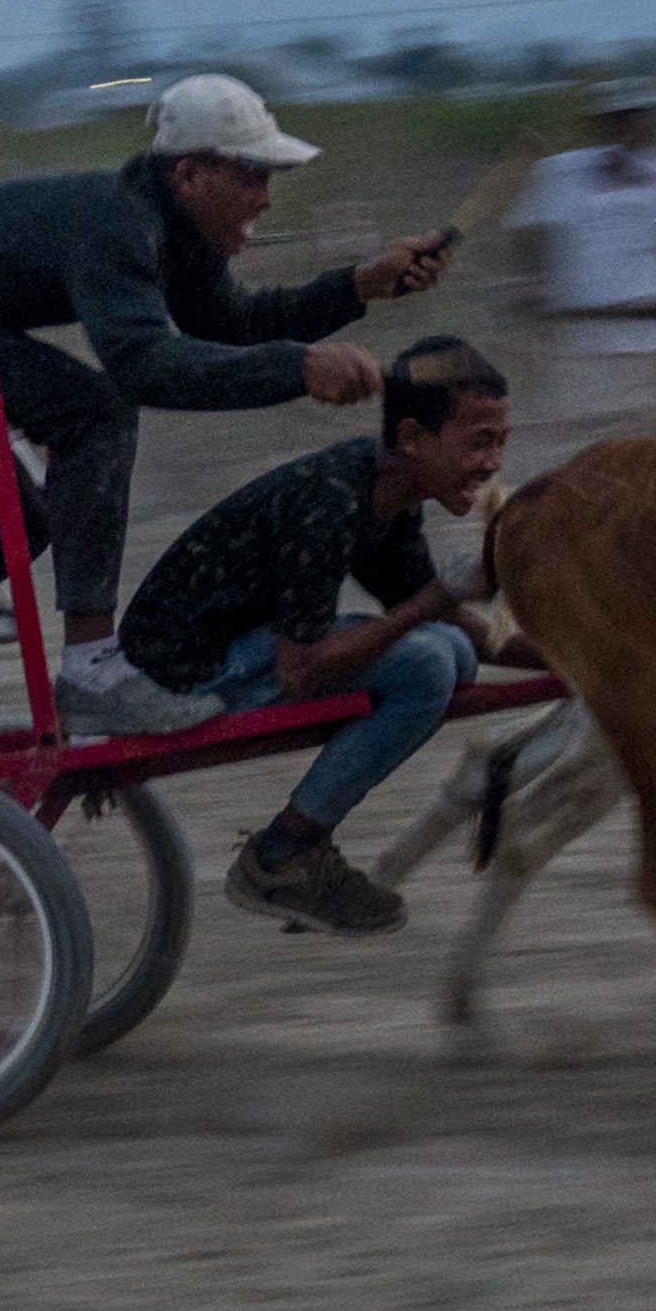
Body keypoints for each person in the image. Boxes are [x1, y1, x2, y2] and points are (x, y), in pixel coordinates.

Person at [0, 73, 453, 741]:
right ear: (189, 173)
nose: (266, 198)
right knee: (96, 409)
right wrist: (299, 368)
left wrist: (362, 284)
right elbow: (145, 366)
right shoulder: (119, 225)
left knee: (3, 528)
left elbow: (241, 322)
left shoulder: (173, 231)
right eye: (252, 175)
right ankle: (93, 670)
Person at [113, 336, 533, 934]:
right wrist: (435, 600)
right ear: (413, 439)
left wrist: (577, 665)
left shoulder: (392, 493)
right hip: (180, 670)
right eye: (477, 442)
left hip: (235, 647)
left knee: (455, 653)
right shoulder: (333, 501)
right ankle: (282, 855)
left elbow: (449, 621)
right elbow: (301, 669)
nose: (493, 463)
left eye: (500, 442)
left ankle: (294, 846)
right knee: (430, 666)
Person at [500, 78, 656, 476]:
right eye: (617, 119)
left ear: (651, 122)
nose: (627, 128)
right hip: (586, 339)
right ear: (601, 123)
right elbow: (526, 233)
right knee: (590, 445)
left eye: (637, 118)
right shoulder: (562, 174)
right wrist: (533, 286)